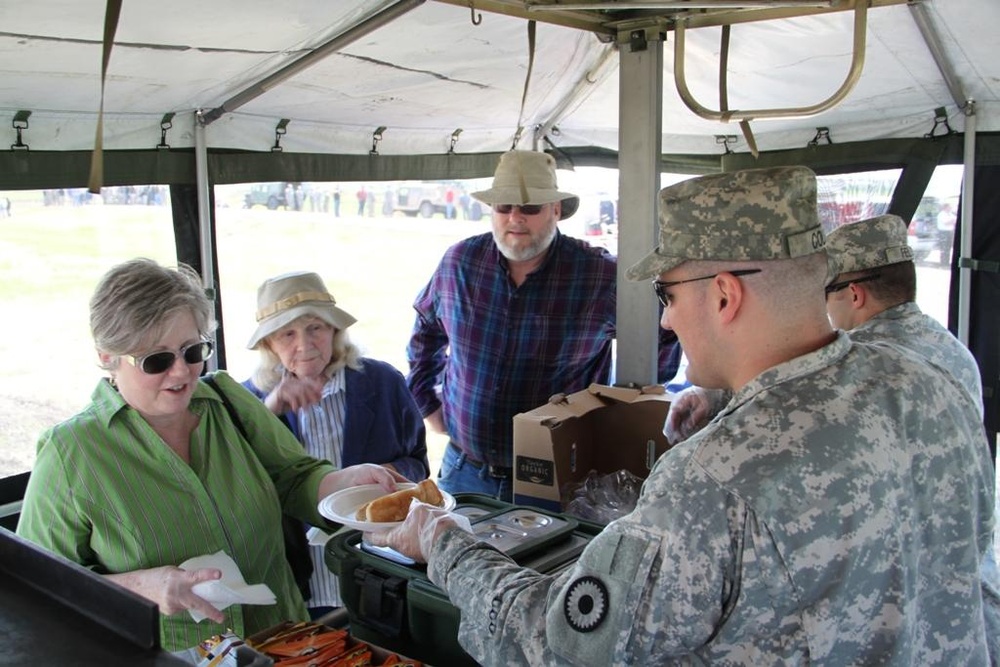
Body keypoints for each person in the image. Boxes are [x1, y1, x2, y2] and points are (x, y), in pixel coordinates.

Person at [375, 166, 995, 664]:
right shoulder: (931, 380)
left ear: (725, 294)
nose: (666, 320)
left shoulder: (715, 475)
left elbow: (556, 646)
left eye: (667, 296)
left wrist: (444, 543)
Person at [16, 258, 406, 655]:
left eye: (192, 350)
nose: (182, 373)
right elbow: (37, 587)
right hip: (172, 656)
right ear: (106, 356)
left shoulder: (225, 399)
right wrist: (140, 588)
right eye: (156, 360)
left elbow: (294, 476)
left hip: (284, 640)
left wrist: (347, 481)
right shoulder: (71, 454)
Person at [406, 150, 679, 502]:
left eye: (530, 208)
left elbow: (662, 344)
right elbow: (425, 331)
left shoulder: (599, 275)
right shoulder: (460, 262)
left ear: (556, 210)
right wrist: (428, 404)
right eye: (503, 207)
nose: (514, 218)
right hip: (465, 470)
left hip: (557, 477)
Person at [241, 271, 429, 617]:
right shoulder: (249, 403)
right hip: (298, 574)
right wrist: (271, 410)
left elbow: (417, 461)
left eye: (316, 327)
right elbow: (240, 482)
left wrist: (392, 474)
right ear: (269, 344)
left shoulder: (382, 382)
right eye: (287, 334)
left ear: (334, 331)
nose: (305, 344)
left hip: (376, 565)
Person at [825, 214, 983, 413]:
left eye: (826, 293)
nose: (826, 308)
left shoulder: (848, 368)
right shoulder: (954, 350)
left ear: (855, 294)